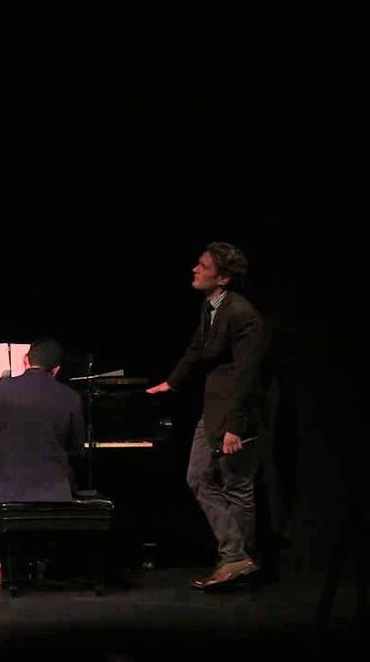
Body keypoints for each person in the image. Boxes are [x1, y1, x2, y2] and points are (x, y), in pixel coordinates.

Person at [147, 241, 268, 589]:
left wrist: (235, 427)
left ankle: (237, 564)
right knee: (198, 477)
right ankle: (237, 557)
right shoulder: (210, 306)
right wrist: (171, 384)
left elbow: (248, 375)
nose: (195, 270)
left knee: (236, 486)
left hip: (235, 414)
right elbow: (196, 350)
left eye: (203, 266)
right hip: (213, 409)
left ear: (224, 278)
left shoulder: (243, 314)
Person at [0, 339, 84, 585]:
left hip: (8, 476)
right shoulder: (71, 397)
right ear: (56, 370)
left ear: (25, 360)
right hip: (54, 481)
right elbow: (77, 450)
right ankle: (46, 560)